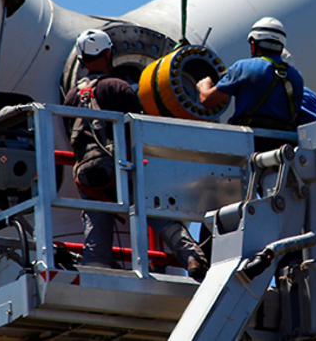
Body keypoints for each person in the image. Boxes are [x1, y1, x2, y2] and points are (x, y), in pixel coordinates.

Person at [63, 29, 208, 279]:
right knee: (154, 207)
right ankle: (192, 256)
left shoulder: (72, 97)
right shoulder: (117, 87)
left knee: (95, 222)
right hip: (119, 167)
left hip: (86, 174)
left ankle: (96, 272)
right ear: (109, 53)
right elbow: (139, 129)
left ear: (82, 60)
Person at [197, 17, 304, 152]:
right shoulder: (296, 77)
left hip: (249, 145)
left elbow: (207, 101)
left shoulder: (243, 67)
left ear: (254, 44)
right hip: (282, 149)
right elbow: (294, 115)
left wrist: (204, 86)